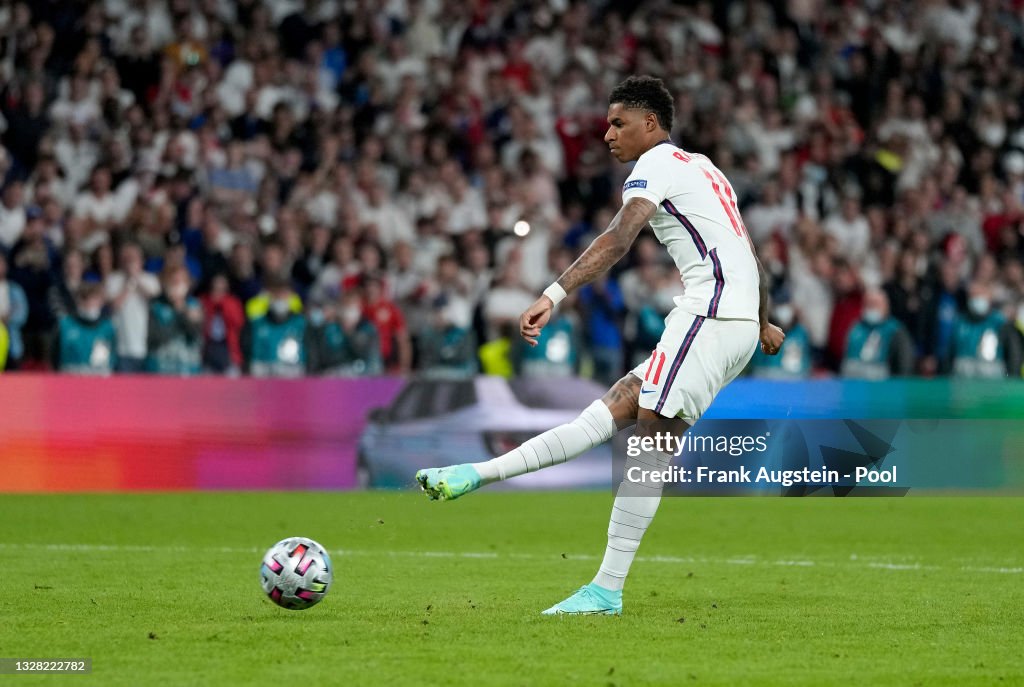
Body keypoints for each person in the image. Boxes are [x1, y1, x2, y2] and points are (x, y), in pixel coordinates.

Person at [416, 76, 785, 615]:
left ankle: (607, 590)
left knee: (650, 445)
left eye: (618, 123)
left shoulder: (653, 166)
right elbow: (747, 252)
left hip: (708, 314)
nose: (606, 133)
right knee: (617, 406)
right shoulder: (704, 166)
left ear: (650, 124)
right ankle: (477, 474)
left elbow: (617, 238)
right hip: (728, 322)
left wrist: (552, 293)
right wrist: (761, 321)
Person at [840, 288, 916, 380]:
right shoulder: (856, 328)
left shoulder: (896, 330)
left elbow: (904, 364)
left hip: (882, 387)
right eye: (868, 304)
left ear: (886, 306)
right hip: (853, 384)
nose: (872, 307)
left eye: (875, 304)